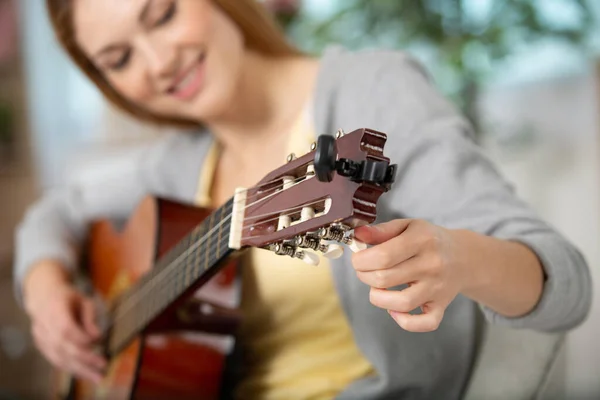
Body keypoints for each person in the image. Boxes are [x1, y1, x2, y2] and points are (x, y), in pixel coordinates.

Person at [15, 0, 592, 399]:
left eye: (162, 13)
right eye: (119, 60)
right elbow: (57, 208)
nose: (159, 63)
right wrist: (44, 284)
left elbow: (565, 284)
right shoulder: (176, 164)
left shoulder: (372, 92)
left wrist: (458, 258)